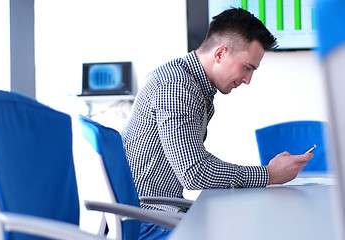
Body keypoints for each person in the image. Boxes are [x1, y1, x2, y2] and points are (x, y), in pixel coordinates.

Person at [121, 7, 313, 240]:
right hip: (149, 223)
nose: (247, 80)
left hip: (163, 213)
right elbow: (194, 172)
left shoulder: (193, 84)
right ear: (220, 53)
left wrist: (265, 174)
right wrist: (268, 174)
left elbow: (196, 161)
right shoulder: (177, 87)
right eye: (247, 67)